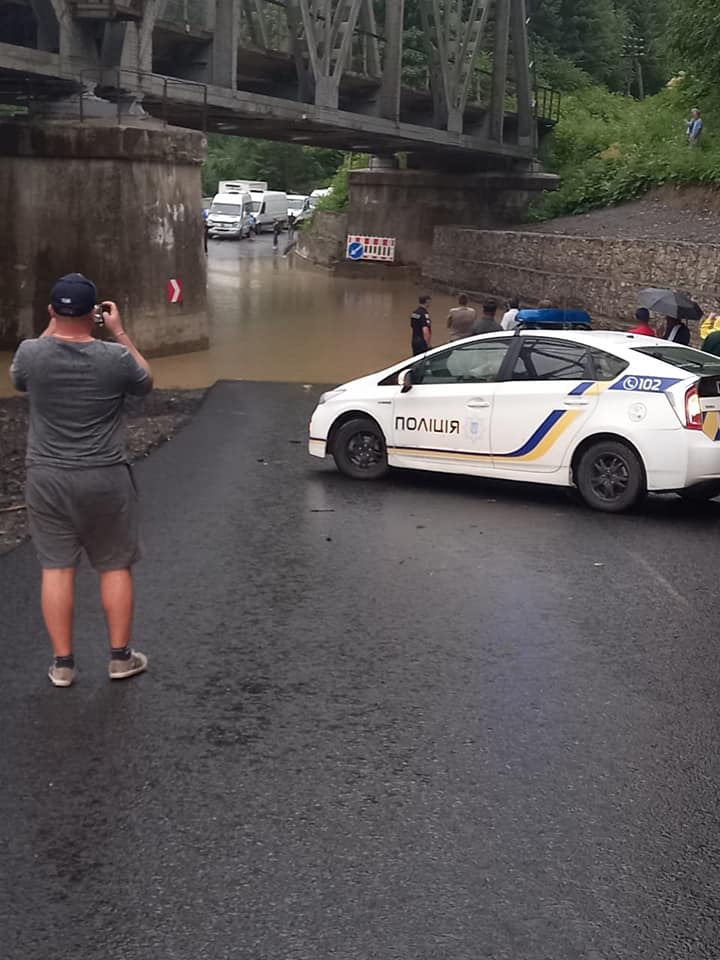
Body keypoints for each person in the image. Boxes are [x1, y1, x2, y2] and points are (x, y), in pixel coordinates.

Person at [10, 274, 153, 688]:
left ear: (52, 311)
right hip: (105, 476)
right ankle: (120, 659)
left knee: (56, 569)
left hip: (47, 478)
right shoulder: (115, 359)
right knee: (114, 567)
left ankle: (63, 665)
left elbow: (20, 378)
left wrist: (53, 325)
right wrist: (120, 332)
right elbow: (146, 382)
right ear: (94, 315)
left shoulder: (31, 354)